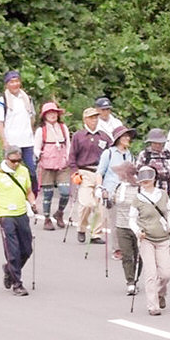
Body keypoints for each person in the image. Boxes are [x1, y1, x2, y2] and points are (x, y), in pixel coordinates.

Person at [0, 146, 34, 296]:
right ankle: (17, 284)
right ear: (7, 159)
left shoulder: (24, 171)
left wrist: (33, 203)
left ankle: (9, 269)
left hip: (22, 214)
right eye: (13, 161)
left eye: (19, 160)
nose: (16, 164)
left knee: (27, 249)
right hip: (6, 215)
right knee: (13, 250)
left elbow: (29, 192)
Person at [130, 165, 170, 315]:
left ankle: (160, 293)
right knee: (150, 273)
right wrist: (138, 231)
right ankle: (153, 306)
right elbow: (132, 220)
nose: (145, 182)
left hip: (163, 238)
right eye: (142, 180)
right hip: (146, 239)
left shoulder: (163, 195)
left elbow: (169, 213)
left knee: (166, 274)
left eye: (148, 178)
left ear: (154, 179)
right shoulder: (137, 199)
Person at [69, 106, 110, 243]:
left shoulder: (104, 136)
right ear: (85, 119)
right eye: (91, 118)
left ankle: (95, 234)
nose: (94, 120)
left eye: (96, 117)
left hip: (100, 172)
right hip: (84, 171)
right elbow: (72, 156)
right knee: (87, 203)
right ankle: (81, 228)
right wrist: (75, 172)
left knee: (100, 207)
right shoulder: (78, 136)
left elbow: (110, 154)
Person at [0, 71, 37, 189]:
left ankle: (31, 200)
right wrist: (4, 141)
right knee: (11, 172)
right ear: (7, 84)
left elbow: (32, 118)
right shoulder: (2, 100)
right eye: (11, 82)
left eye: (17, 81)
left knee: (31, 171)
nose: (15, 84)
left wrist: (32, 134)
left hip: (27, 141)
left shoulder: (27, 98)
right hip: (12, 142)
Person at [33, 101, 72, 230]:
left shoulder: (63, 127)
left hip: (62, 164)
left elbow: (68, 144)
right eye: (49, 113)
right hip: (47, 165)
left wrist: (68, 158)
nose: (52, 115)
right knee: (48, 194)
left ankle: (59, 213)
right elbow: (36, 148)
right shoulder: (41, 130)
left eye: (54, 112)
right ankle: (47, 218)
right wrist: (40, 154)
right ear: (44, 115)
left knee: (65, 192)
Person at [95, 127, 136, 246]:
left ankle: (128, 247)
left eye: (128, 136)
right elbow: (100, 172)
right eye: (124, 136)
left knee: (128, 221)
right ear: (118, 138)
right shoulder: (109, 153)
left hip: (127, 192)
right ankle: (117, 248)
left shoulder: (130, 155)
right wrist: (99, 187)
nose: (128, 138)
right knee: (115, 221)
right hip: (111, 192)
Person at [107, 162, 142, 296]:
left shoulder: (139, 188)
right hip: (121, 226)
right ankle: (130, 282)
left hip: (138, 227)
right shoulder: (118, 187)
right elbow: (111, 204)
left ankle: (135, 278)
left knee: (138, 256)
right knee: (127, 255)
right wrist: (105, 198)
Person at [136, 128, 170, 196]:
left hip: (165, 188)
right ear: (151, 143)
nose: (158, 145)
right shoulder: (145, 154)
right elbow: (138, 171)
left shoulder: (167, 154)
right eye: (155, 143)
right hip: (148, 189)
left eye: (160, 143)